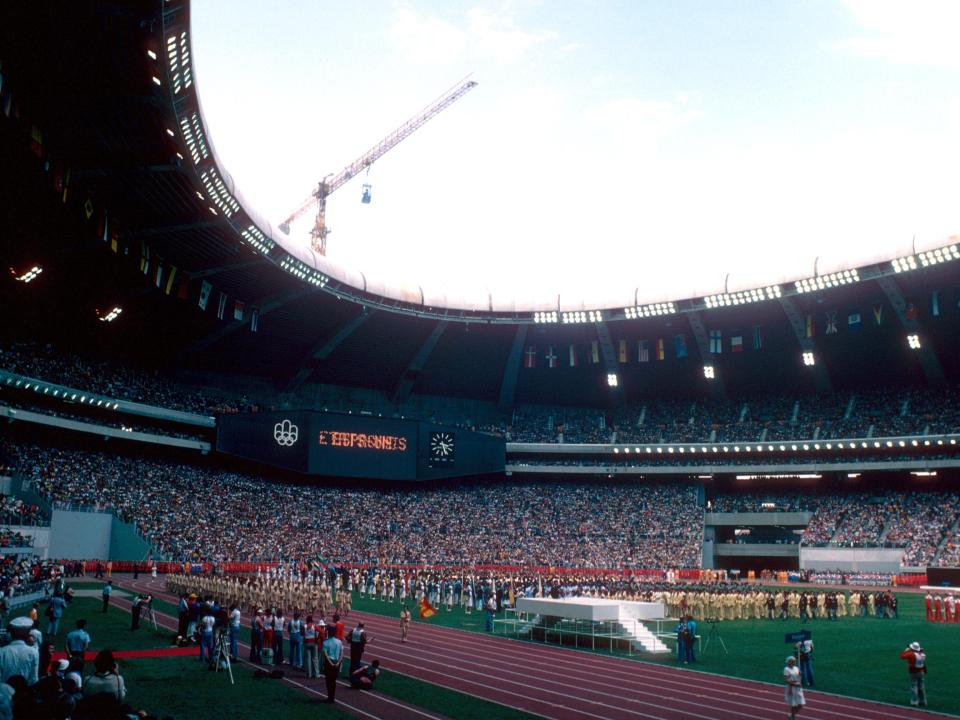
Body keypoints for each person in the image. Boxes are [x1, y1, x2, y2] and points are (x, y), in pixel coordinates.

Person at [0, 617, 39, 685]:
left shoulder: (2, 651)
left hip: (4, 692)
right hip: (23, 692)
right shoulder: (33, 652)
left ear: (11, 634)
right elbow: (33, 678)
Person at [900, 641, 927, 707]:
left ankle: (915, 702)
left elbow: (902, 656)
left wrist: (906, 650)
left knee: (914, 686)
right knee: (921, 686)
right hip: (921, 671)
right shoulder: (923, 654)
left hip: (913, 671)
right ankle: (923, 701)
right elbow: (919, 653)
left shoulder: (911, 654)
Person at [321, 627, 343, 703]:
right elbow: (341, 654)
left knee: (328, 681)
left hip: (329, 662)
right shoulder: (339, 642)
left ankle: (329, 697)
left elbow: (326, 655)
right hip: (336, 662)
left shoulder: (325, 642)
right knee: (333, 681)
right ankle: (332, 697)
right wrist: (337, 663)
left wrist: (330, 663)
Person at [783, 655, 805, 720]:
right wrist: (795, 684)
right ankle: (793, 717)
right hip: (791, 688)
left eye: (794, 661)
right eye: (792, 661)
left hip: (798, 688)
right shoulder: (786, 669)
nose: (794, 662)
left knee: (801, 704)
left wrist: (800, 674)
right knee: (793, 704)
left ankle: (792, 715)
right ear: (788, 662)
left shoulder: (796, 668)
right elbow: (786, 680)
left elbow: (799, 677)